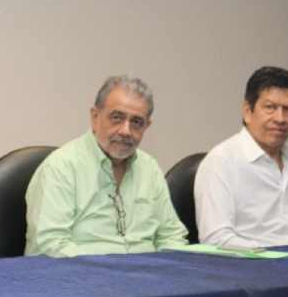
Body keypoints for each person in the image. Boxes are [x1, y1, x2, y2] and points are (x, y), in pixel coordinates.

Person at [25, 75, 187, 256]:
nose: (126, 131)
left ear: (146, 127)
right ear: (95, 117)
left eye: (136, 122)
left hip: (147, 271)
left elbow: (171, 236)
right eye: (117, 118)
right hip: (80, 272)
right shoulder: (61, 167)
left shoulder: (149, 168)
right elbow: (50, 246)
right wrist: (114, 271)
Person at [195, 66, 288, 250]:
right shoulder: (222, 161)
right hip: (250, 263)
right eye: (270, 107)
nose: (280, 118)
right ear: (247, 112)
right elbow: (216, 238)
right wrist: (266, 255)